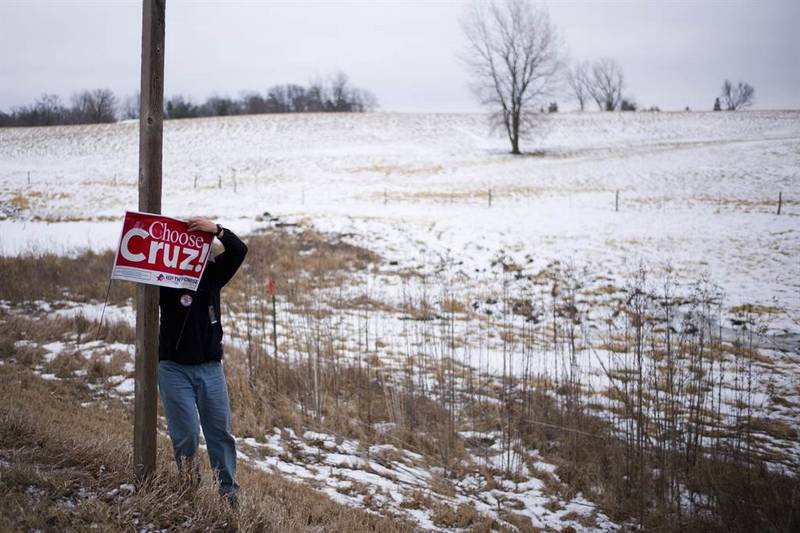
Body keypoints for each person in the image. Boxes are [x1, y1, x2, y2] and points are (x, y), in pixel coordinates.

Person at [157, 216, 247, 504]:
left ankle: (229, 495)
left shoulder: (212, 275)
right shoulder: (164, 278)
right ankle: (189, 491)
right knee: (186, 437)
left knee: (220, 435)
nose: (193, 252)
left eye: (199, 245)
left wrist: (219, 230)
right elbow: (139, 268)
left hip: (210, 368)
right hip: (173, 369)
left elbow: (239, 250)